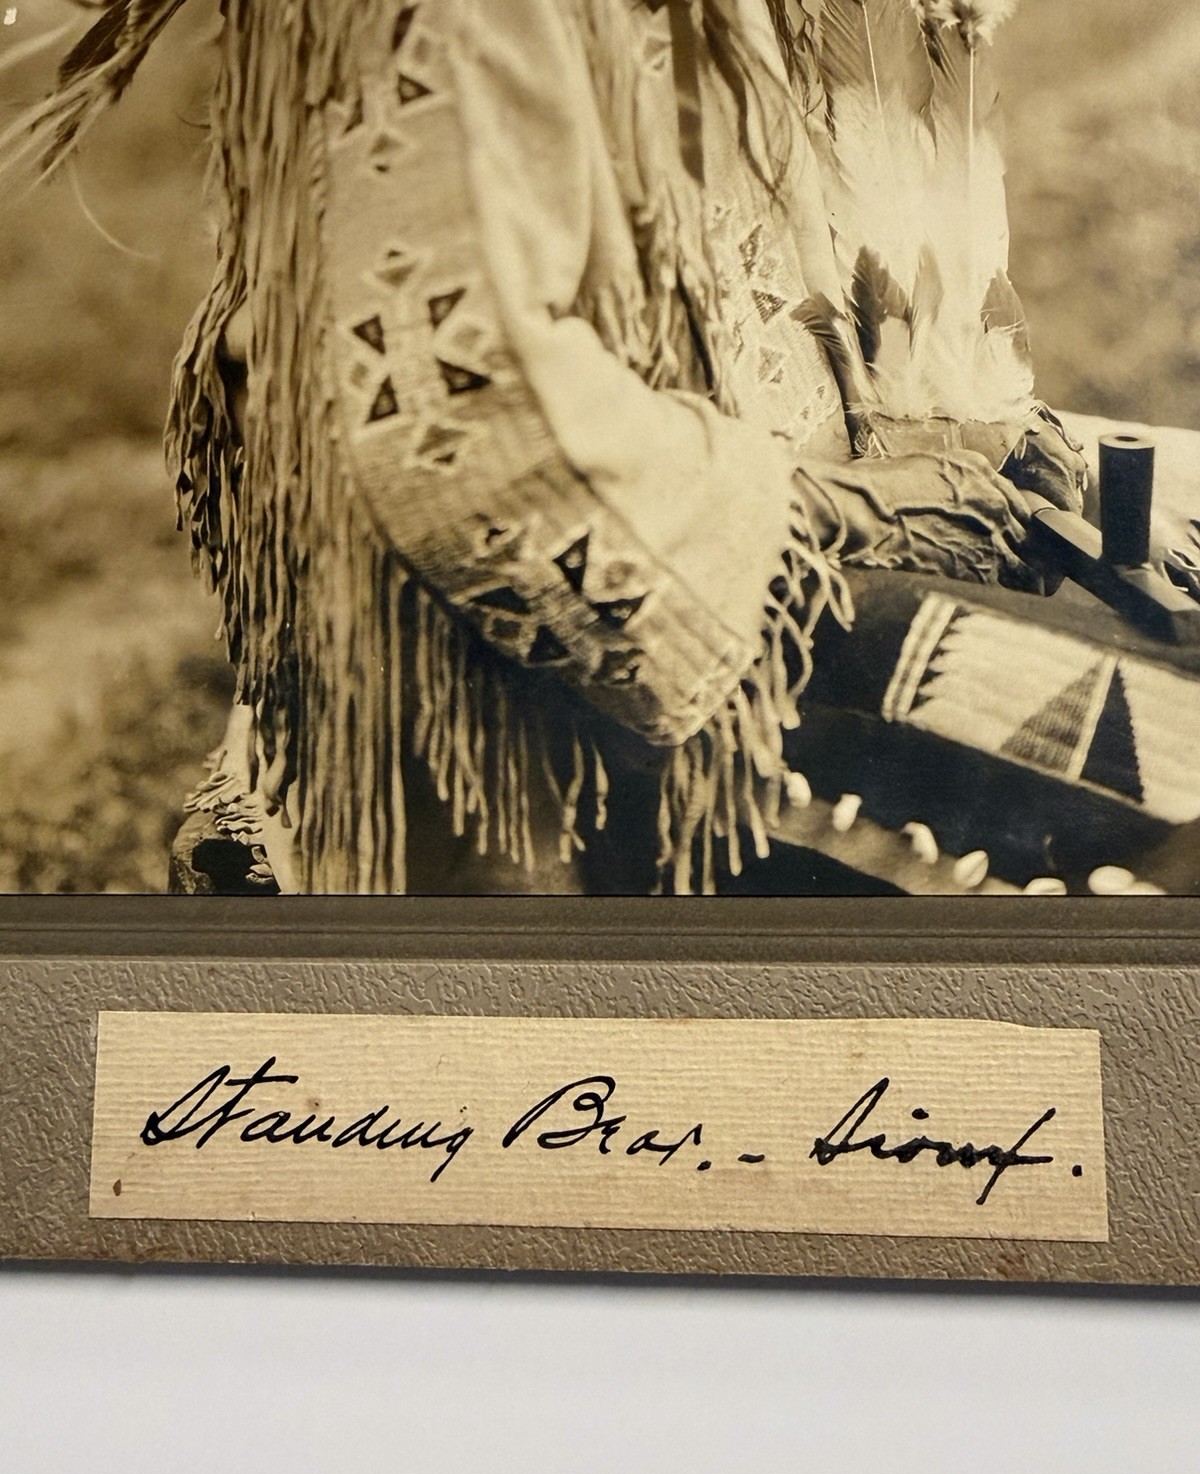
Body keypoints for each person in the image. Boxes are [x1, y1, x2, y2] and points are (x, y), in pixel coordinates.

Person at [7, 0, 1085, 894]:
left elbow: (786, 253)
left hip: (769, 716)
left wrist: (971, 430)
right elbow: (460, 428)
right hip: (531, 795)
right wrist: (857, 513)